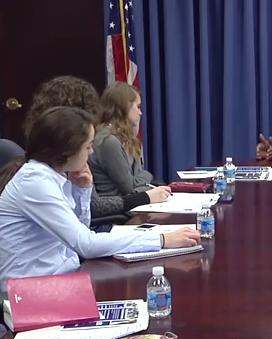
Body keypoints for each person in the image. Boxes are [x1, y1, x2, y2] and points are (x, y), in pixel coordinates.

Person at [0, 106, 200, 291]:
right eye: (87, 147)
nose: (91, 152)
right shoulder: (35, 183)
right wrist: (162, 239)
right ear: (67, 150)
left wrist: (83, 191)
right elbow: (85, 244)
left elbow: (80, 231)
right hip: (28, 291)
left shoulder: (54, 176)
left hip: (58, 280)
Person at [24, 76, 170, 218]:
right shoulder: (40, 177)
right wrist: (144, 196)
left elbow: (81, 223)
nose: (91, 151)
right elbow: (86, 228)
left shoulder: (53, 162)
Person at [90, 82, 156, 196]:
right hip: (116, 209)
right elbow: (130, 188)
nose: (140, 113)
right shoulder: (108, 141)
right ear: (124, 107)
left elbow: (136, 183)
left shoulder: (122, 137)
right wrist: (148, 175)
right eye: (138, 107)